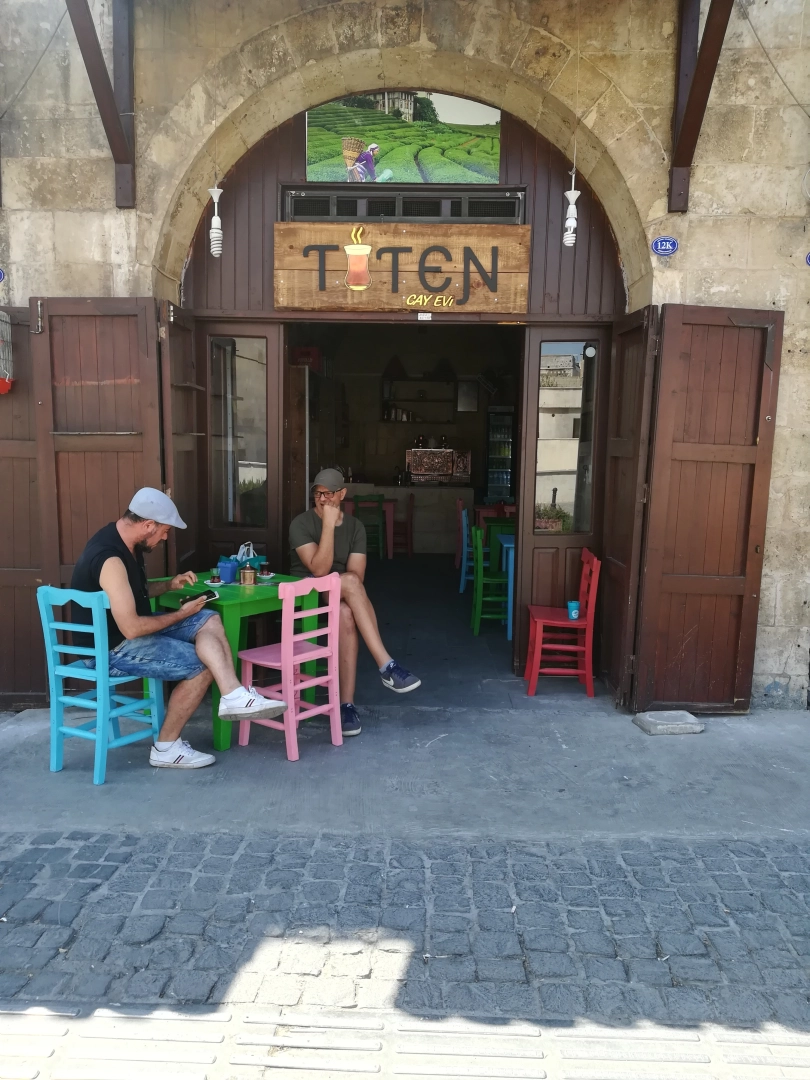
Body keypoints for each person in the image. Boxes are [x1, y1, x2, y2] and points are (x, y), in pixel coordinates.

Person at [70, 488, 287, 770]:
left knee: (208, 617)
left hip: (121, 635)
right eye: (164, 532)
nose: (164, 537)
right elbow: (133, 628)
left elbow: (134, 594)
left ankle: (233, 694)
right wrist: (180, 615)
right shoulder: (110, 559)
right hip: (108, 648)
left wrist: (169, 585)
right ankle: (166, 747)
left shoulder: (125, 541)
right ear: (148, 525)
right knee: (203, 663)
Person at [289, 469, 420, 737]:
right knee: (344, 584)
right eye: (317, 493)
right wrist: (327, 525)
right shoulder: (300, 524)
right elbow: (318, 569)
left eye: (328, 493)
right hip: (307, 593)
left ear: (342, 494)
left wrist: (334, 528)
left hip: (339, 590)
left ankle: (345, 706)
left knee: (346, 609)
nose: (322, 499)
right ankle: (386, 665)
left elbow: (356, 579)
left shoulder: (355, 527)